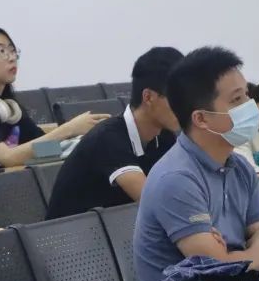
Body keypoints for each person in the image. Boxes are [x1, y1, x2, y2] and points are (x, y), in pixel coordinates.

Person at [133, 46, 259, 281]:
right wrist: (256, 250)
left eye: (247, 95)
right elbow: (217, 272)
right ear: (201, 119)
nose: (249, 107)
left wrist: (239, 256)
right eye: (236, 100)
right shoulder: (176, 178)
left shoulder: (240, 167)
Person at [0, 26, 108, 166]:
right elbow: (9, 158)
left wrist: (77, 142)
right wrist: (69, 129)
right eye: (1, 51)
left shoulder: (8, 108)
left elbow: (38, 147)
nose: (11, 57)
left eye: (13, 50)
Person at [45, 47, 183, 219]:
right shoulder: (108, 138)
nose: (185, 106)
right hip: (69, 234)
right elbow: (155, 204)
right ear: (148, 97)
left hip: (115, 230)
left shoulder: (164, 137)